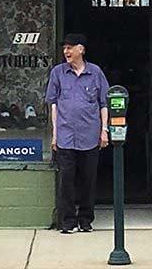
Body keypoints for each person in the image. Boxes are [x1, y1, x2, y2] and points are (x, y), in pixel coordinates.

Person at [45, 33, 109, 234]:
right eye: (64, 48)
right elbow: (53, 105)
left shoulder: (96, 73)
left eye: (70, 47)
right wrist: (55, 134)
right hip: (65, 136)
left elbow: (104, 104)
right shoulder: (58, 73)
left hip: (89, 136)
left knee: (88, 180)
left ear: (81, 49)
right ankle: (68, 221)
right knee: (66, 180)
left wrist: (104, 131)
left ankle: (86, 220)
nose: (66, 51)